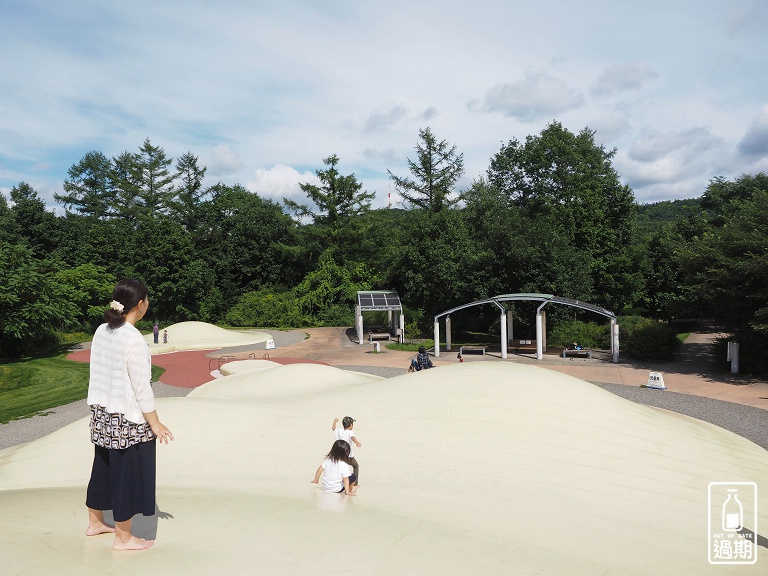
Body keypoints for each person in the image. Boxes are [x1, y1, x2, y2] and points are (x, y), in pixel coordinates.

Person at [85, 279, 174, 551]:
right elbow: (141, 387)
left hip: (101, 411)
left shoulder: (102, 330)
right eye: (147, 300)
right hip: (126, 416)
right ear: (140, 304)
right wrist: (155, 423)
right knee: (128, 474)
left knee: (103, 466)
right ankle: (123, 539)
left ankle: (95, 523)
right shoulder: (133, 339)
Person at [332, 416, 361, 485]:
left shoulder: (339, 430)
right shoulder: (350, 432)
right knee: (355, 465)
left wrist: (335, 421)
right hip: (348, 456)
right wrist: (357, 442)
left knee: (341, 467)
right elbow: (352, 437)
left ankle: (338, 481)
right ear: (351, 425)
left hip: (339, 455)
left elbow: (333, 428)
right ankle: (355, 483)